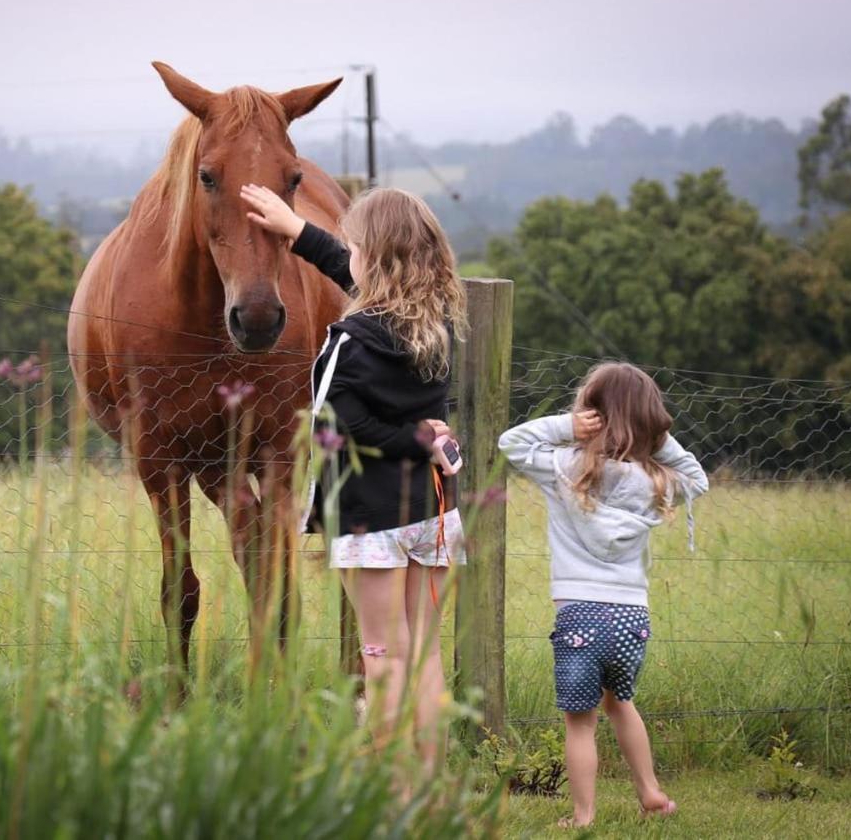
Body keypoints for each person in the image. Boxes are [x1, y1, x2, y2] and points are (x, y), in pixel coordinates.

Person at [242, 183, 468, 776]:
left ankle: (393, 789)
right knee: (424, 653)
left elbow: (336, 424)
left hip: (372, 522)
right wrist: (296, 229)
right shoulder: (435, 321)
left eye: (355, 247)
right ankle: (430, 780)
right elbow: (353, 273)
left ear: (374, 258)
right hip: (435, 514)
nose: (349, 255)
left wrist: (412, 438)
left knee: (384, 657)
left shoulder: (352, 340)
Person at [498, 362, 709, 828]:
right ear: (649, 422)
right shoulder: (656, 480)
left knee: (581, 722)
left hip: (578, 616)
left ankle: (583, 815)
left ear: (591, 414)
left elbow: (510, 443)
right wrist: (654, 439)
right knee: (620, 703)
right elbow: (699, 478)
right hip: (632, 617)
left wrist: (566, 428)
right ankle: (651, 792)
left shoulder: (565, 468)